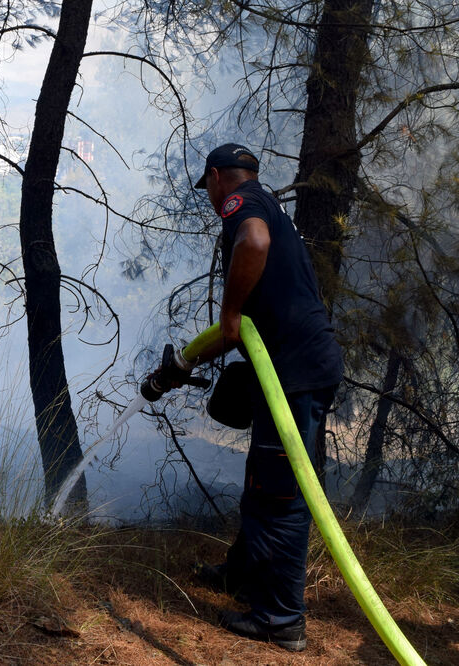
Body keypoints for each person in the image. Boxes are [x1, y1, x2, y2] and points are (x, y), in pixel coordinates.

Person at [161, 144, 343, 651]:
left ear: (218, 177)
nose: (212, 197)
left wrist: (232, 307)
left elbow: (254, 246)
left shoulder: (244, 207)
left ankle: (281, 620)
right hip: (294, 369)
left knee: (280, 496)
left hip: (296, 376)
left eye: (210, 187)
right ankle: (241, 574)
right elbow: (236, 332)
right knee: (263, 480)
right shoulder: (268, 201)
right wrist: (184, 365)